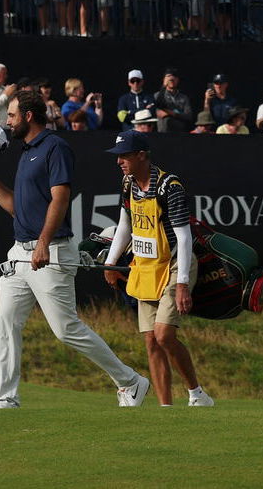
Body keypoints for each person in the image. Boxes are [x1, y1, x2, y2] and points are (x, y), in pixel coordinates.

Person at [0, 89, 149, 410]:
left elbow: (61, 198)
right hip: (19, 255)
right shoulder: (26, 153)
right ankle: (6, 398)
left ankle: (130, 381)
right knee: (6, 324)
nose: (7, 122)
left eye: (11, 116)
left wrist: (42, 243)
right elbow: (16, 208)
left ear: (27, 116)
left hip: (50, 252)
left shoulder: (55, 147)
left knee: (66, 329)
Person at [103, 131, 213, 407]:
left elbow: (184, 236)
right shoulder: (128, 183)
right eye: (118, 157)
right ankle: (166, 410)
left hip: (176, 264)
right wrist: (110, 263)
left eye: (125, 156)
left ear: (142, 155)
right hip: (146, 267)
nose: (119, 162)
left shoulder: (169, 186)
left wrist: (184, 284)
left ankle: (197, 394)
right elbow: (125, 225)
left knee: (164, 334)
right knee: (151, 340)